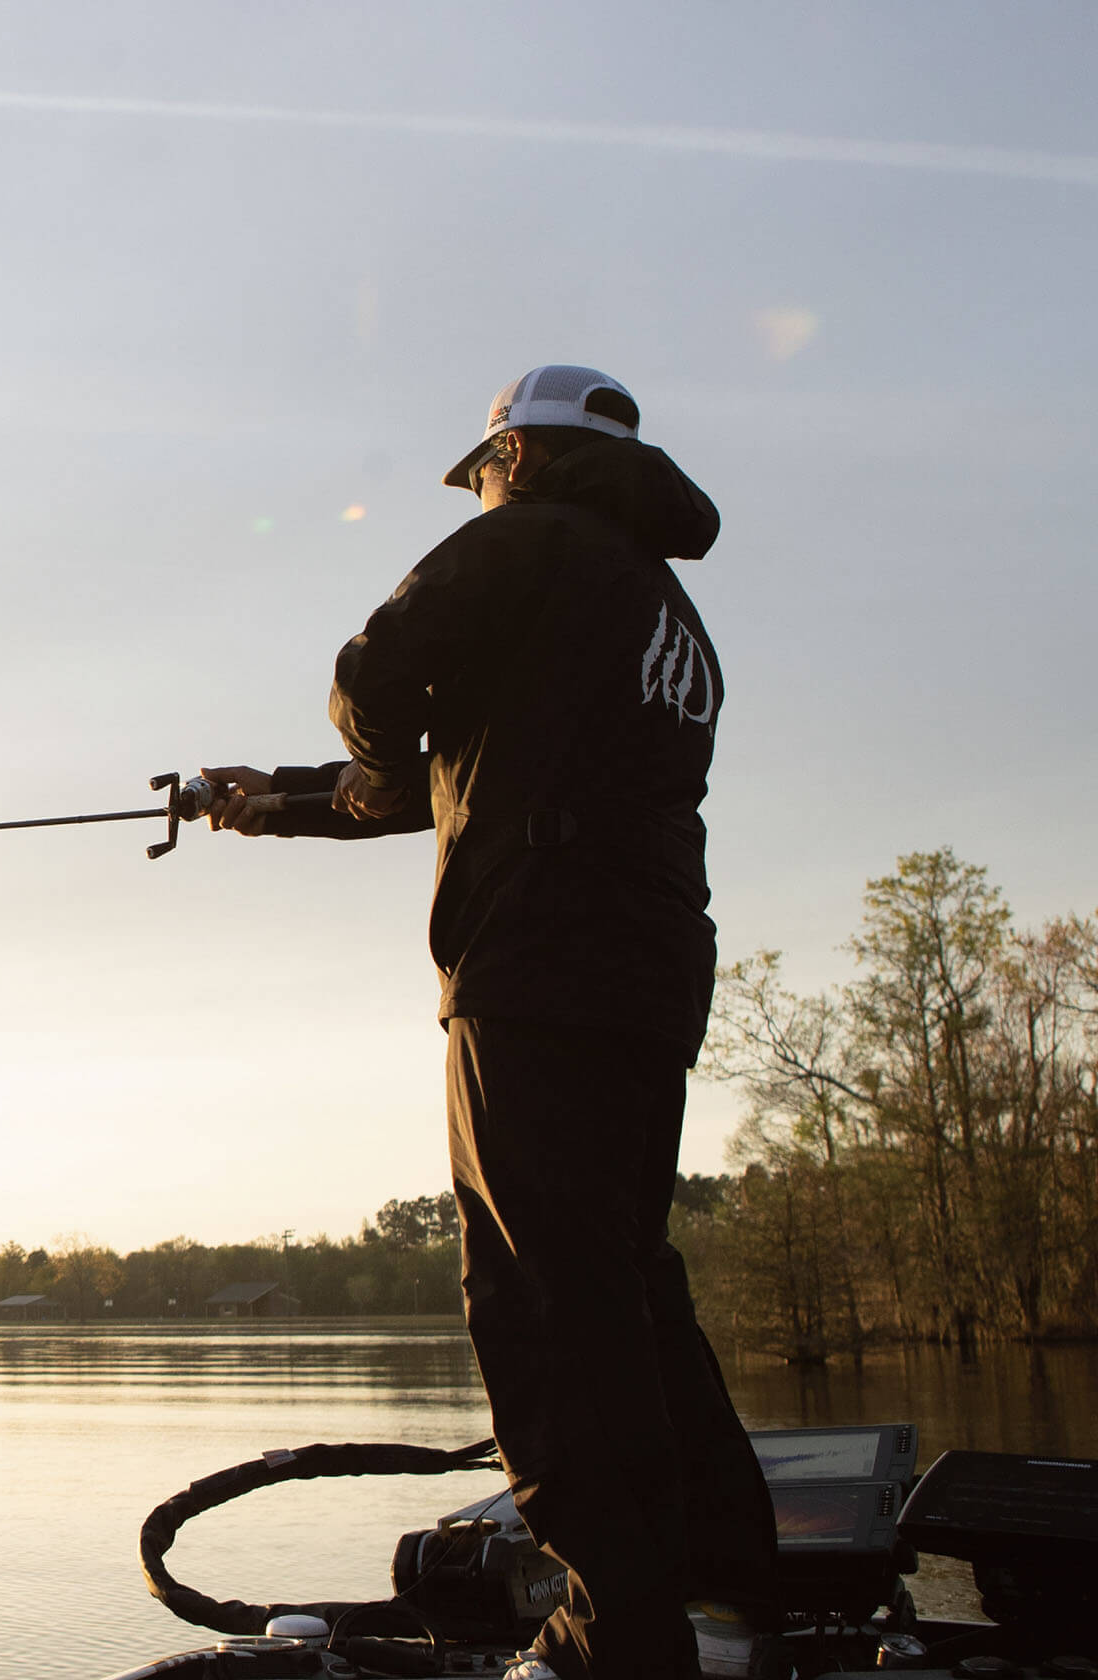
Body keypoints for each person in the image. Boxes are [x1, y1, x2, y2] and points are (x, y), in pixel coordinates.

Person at [202, 365, 780, 1680]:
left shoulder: (525, 543)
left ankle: (612, 1632)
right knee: (632, 1288)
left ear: (517, 452)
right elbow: (451, 777)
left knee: (537, 1296)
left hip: (536, 966)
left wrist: (360, 746)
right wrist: (277, 802)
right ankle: (732, 1601)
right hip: (650, 977)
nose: (482, 491)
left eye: (486, 470)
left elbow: (373, 681)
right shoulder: (664, 616)